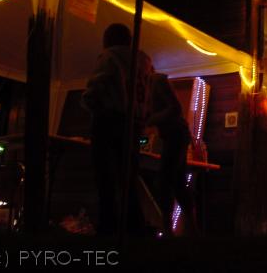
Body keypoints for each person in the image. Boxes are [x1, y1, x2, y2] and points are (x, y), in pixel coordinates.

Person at [81, 23, 153, 235]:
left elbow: (97, 87)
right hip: (134, 123)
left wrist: (88, 103)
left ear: (108, 39)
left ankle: (108, 225)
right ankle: (134, 225)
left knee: (105, 175)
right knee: (128, 176)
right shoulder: (144, 61)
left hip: (110, 119)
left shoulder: (110, 57)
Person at [146, 72, 197, 237]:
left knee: (165, 181)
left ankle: (168, 230)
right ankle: (191, 231)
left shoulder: (157, 80)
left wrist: (150, 119)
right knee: (177, 183)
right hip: (174, 135)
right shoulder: (150, 83)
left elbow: (175, 108)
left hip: (176, 134)